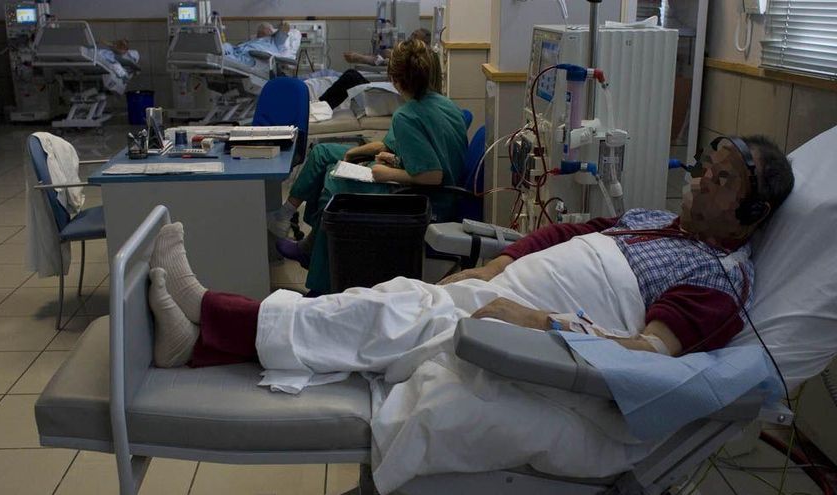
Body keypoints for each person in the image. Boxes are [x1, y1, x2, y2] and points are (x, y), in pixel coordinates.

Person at [148, 135, 793, 372]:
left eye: (723, 179)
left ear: (751, 214)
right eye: (708, 165)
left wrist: (540, 323)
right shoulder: (659, 222)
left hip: (529, 327)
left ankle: (211, 313)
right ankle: (202, 339)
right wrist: (501, 262)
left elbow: (649, 357)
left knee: (385, 319)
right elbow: (572, 233)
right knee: (384, 302)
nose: (702, 179)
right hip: (505, 289)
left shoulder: (714, 282)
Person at [266, 38, 462, 295]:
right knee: (325, 153)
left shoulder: (408, 115)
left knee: (336, 184)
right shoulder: (445, 105)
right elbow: (410, 149)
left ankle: (321, 282)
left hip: (426, 201)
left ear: (395, 79)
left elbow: (433, 175)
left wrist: (387, 172)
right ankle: (305, 237)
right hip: (430, 187)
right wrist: (363, 152)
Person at [315, 28, 436, 110]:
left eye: (415, 36)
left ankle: (320, 107)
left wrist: (362, 58)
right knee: (350, 76)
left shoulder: (418, 59)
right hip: (393, 90)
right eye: (412, 34)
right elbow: (382, 61)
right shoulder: (413, 55)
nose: (410, 38)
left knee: (350, 76)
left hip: (395, 94)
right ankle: (321, 106)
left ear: (424, 42)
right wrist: (361, 58)